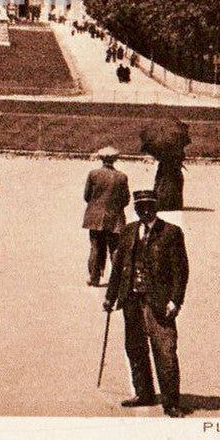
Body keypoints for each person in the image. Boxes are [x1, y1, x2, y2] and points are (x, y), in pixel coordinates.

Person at [103, 189, 190, 418]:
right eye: (140, 207)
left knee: (165, 351)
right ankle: (144, 393)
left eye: (149, 207)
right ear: (136, 209)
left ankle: (171, 402)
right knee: (135, 348)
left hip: (158, 302)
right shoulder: (129, 231)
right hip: (131, 300)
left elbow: (181, 271)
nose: (145, 211)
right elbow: (119, 266)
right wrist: (110, 297)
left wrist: (175, 300)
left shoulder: (171, 233)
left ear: (156, 207)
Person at [82, 146, 130, 287]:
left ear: (101, 158)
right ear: (115, 159)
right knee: (115, 248)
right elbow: (126, 199)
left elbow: (87, 196)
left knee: (96, 247)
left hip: (95, 216)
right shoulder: (122, 177)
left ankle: (94, 277)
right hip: (115, 217)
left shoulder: (93, 174)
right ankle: (117, 279)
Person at [140, 117, 191, 213]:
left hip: (164, 167)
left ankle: (162, 202)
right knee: (173, 184)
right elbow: (180, 157)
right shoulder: (176, 146)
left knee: (162, 183)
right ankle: (172, 203)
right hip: (174, 169)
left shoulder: (161, 148)